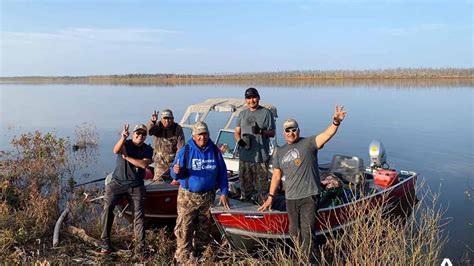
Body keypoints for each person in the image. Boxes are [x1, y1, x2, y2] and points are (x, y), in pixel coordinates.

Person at [258, 106, 347, 263]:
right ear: (284, 133)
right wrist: (270, 197)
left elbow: (327, 134)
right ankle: (302, 258)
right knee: (294, 232)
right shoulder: (279, 152)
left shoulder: (309, 143)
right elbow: (277, 175)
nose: (291, 133)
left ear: (298, 130)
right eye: (288, 130)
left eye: (294, 129)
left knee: (307, 232)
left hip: (308, 196)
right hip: (291, 198)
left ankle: (311, 261)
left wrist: (336, 122)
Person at [171, 121, 230, 263]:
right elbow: (174, 173)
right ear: (194, 135)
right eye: (199, 134)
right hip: (188, 197)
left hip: (207, 197)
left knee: (203, 229)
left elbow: (222, 173)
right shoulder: (186, 150)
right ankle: (182, 258)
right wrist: (175, 172)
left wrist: (224, 192)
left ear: (208, 134)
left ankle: (199, 256)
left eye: (205, 134)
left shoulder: (215, 151)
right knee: (185, 228)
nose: (202, 137)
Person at [100, 124, 153, 256]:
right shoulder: (126, 144)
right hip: (117, 183)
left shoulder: (147, 149)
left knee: (139, 215)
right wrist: (123, 138)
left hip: (136, 185)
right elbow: (115, 150)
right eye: (138, 133)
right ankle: (105, 242)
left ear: (145, 136)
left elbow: (143, 164)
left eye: (143, 134)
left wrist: (127, 157)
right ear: (133, 133)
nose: (140, 136)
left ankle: (140, 248)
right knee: (107, 208)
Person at [234, 87, 275, 203]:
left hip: (261, 159)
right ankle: (245, 209)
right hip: (245, 158)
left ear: (258, 98)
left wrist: (261, 131)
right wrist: (239, 141)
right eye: (248, 98)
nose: (251, 100)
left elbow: (272, 133)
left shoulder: (266, 113)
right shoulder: (242, 114)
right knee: (245, 189)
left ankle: (263, 210)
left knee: (262, 190)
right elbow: (237, 133)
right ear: (245, 100)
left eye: (253, 97)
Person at [147, 109, 185, 180]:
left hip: (173, 164)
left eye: (169, 118)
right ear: (161, 119)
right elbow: (149, 131)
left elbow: (180, 148)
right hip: (159, 164)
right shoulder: (157, 125)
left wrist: (177, 163)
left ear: (172, 119)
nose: (167, 121)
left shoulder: (177, 128)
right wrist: (152, 121)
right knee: (158, 184)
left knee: (174, 182)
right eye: (165, 118)